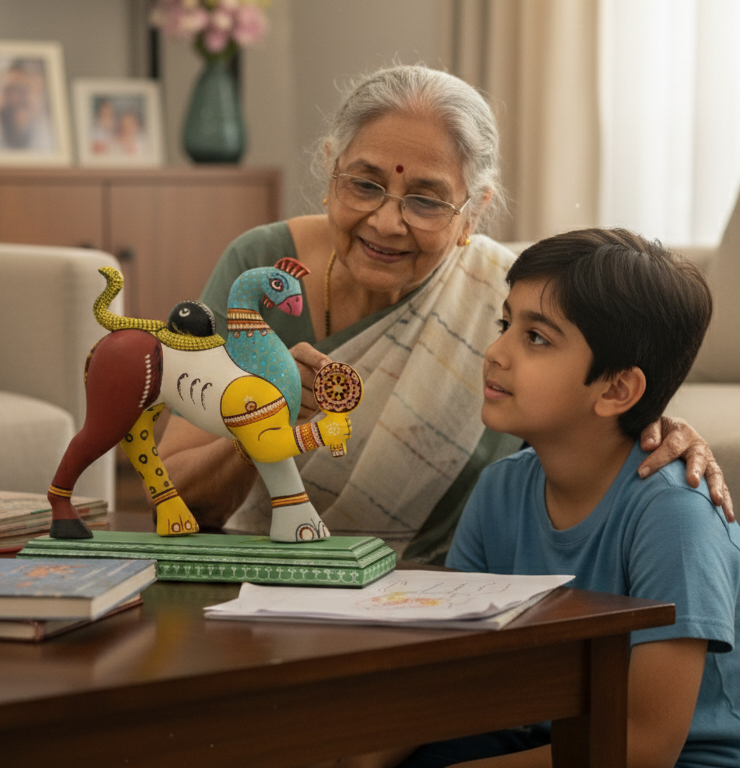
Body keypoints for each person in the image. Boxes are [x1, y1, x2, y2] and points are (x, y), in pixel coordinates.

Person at [157, 64, 733, 563]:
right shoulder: (259, 273)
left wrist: (661, 428)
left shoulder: (502, 303)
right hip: (259, 573)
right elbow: (175, 495)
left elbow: (595, 420)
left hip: (441, 590)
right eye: (364, 184)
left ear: (474, 211)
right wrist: (266, 420)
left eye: (426, 200)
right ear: (330, 173)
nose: (386, 221)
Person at [393, 229, 740, 768]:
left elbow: (646, 746)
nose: (495, 352)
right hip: (537, 733)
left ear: (616, 390)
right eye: (505, 324)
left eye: (537, 338)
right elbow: (459, 673)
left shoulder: (673, 514)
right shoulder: (500, 489)